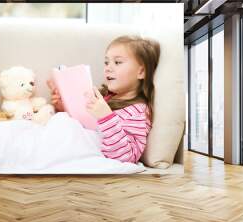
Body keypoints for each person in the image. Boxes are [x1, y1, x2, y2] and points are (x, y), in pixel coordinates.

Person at [47, 35, 160, 164]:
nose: (108, 68)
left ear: (141, 72)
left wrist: (107, 117)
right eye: (107, 62)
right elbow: (86, 125)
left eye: (117, 62)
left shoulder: (137, 113)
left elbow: (126, 157)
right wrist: (64, 106)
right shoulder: (105, 96)